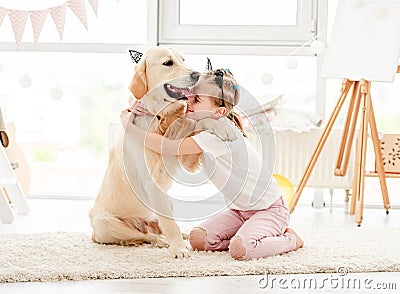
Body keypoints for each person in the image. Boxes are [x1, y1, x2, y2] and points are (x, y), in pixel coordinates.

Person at [121, 69, 303, 260]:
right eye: (191, 96)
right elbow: (166, 97)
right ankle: (246, 235)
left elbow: (166, 147)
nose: (189, 101)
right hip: (240, 211)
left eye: (197, 100)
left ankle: (290, 239)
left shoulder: (218, 134)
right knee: (197, 239)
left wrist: (128, 126)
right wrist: (134, 103)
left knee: (241, 250)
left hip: (270, 210)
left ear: (219, 112)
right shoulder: (201, 124)